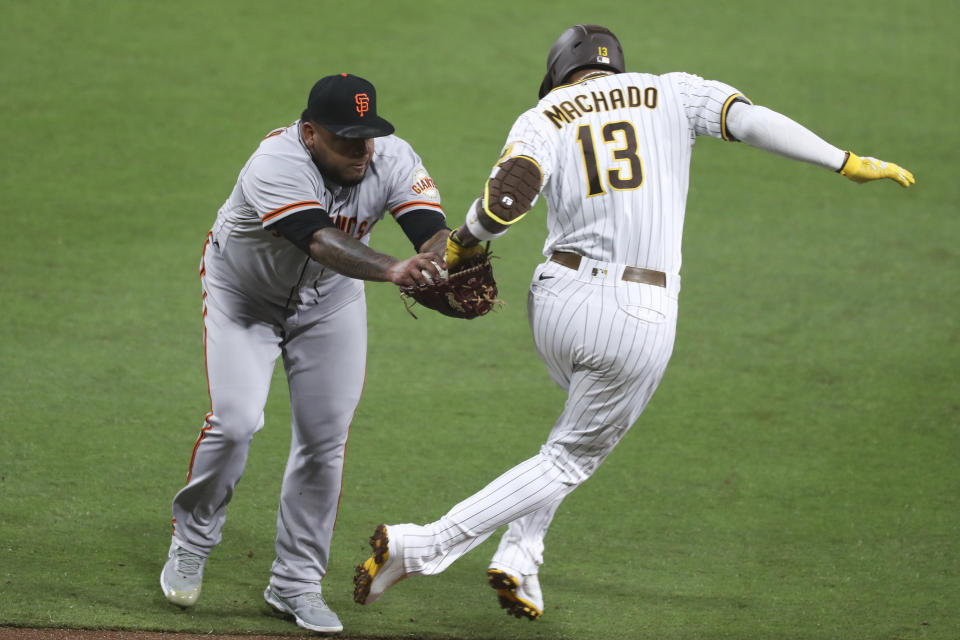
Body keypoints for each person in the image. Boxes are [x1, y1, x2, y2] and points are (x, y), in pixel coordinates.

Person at [352, 24, 915, 621]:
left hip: (555, 304)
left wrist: (465, 242)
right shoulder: (673, 91)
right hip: (636, 316)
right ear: (616, 66)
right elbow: (749, 121)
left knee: (573, 426)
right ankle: (422, 545)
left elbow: (507, 199)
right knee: (570, 458)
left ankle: (521, 554)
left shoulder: (545, 113)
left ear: (561, 70)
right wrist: (844, 160)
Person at [160, 73, 450, 634]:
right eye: (347, 140)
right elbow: (319, 239)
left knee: (324, 440)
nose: (363, 151)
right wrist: (394, 269)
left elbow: (429, 227)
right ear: (311, 133)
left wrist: (441, 258)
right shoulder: (275, 162)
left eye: (369, 137)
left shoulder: (388, 155)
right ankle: (192, 541)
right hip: (244, 297)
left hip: (331, 302)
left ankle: (294, 581)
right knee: (237, 421)